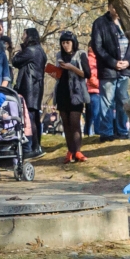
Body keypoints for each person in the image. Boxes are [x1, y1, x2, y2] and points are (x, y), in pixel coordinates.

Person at [91, 3, 130, 140]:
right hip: (108, 69)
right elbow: (97, 47)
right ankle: (107, 132)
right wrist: (113, 63)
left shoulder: (127, 22)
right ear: (109, 7)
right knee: (107, 101)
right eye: (114, 6)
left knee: (123, 100)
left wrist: (128, 61)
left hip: (124, 69)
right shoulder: (100, 23)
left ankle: (122, 131)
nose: (116, 10)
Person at [45, 30, 90, 163]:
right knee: (65, 123)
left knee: (75, 122)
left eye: (68, 42)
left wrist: (71, 67)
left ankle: (78, 151)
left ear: (73, 42)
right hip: (62, 92)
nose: (65, 45)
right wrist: (54, 73)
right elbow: (60, 75)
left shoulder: (81, 54)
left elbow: (87, 74)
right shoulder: (59, 55)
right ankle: (70, 150)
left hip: (77, 93)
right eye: (63, 43)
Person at [11, 27, 47, 159]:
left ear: (29, 36)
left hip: (29, 87)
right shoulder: (39, 50)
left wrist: (17, 51)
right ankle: (36, 146)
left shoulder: (30, 50)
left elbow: (15, 61)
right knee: (34, 116)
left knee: (30, 117)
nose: (22, 37)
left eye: (24, 35)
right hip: (35, 86)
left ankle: (33, 146)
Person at [85, 49, 100, 136]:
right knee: (95, 114)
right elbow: (90, 76)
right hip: (94, 91)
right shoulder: (91, 60)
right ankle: (97, 132)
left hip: (92, 91)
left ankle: (87, 133)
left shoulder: (94, 59)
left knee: (89, 115)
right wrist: (100, 85)